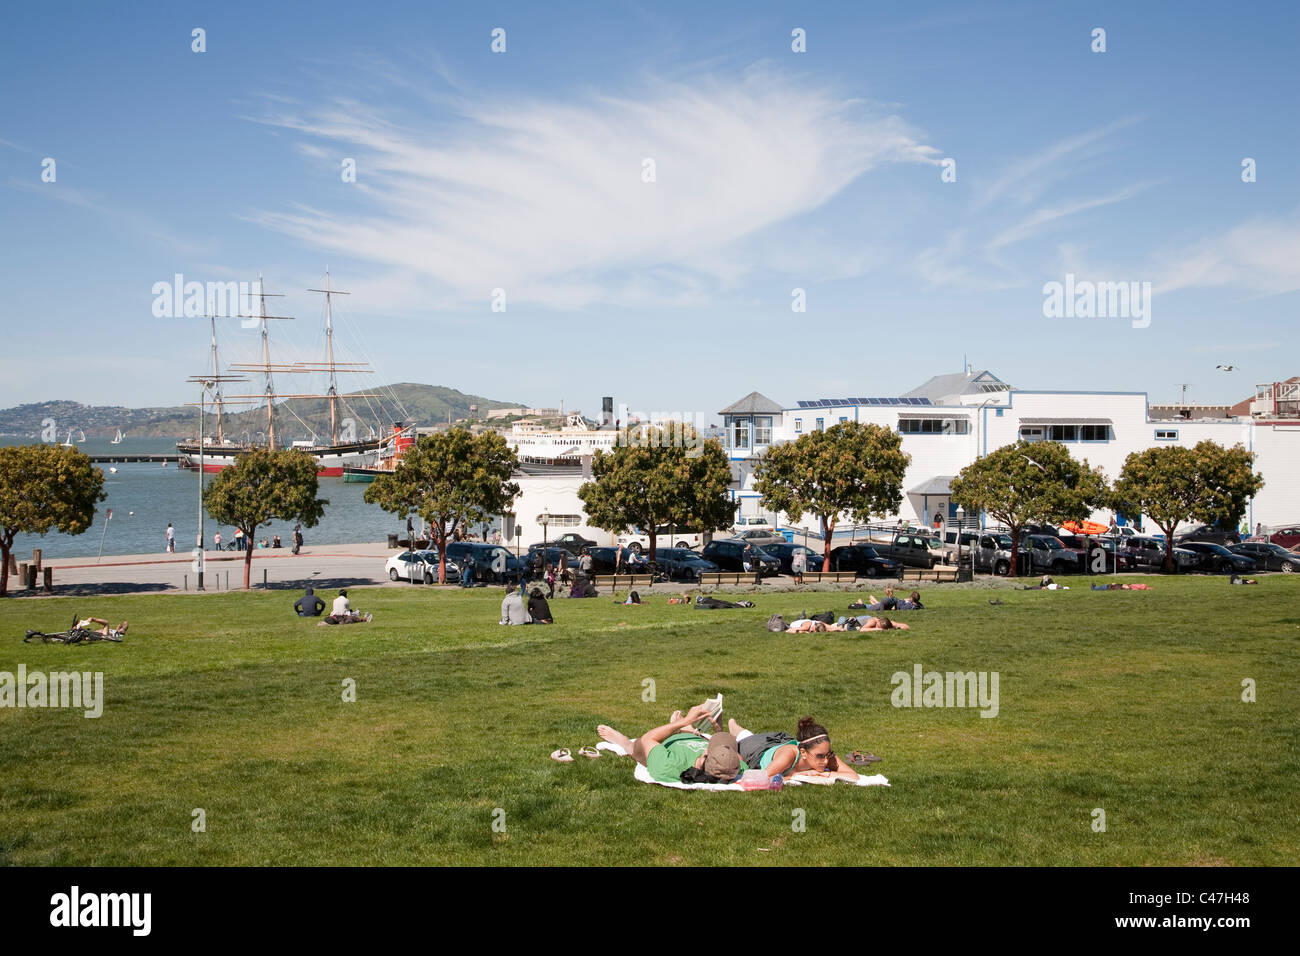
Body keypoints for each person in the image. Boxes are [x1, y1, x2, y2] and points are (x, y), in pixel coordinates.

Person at [596, 703, 744, 784]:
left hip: (663, 743)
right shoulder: (733, 766)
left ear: (706, 754)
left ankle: (624, 741)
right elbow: (732, 755)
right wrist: (719, 732)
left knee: (637, 747)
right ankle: (689, 730)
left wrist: (684, 721)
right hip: (695, 738)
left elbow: (649, 738)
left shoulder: (671, 765)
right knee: (698, 733)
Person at [731, 715, 860, 782]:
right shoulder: (789, 755)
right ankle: (732, 726)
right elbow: (764, 777)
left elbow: (853, 776)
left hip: (781, 741)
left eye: (828, 754)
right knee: (739, 738)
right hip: (757, 749)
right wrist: (795, 776)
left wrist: (825, 774)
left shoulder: (825, 755)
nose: (826, 761)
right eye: (820, 756)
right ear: (803, 752)